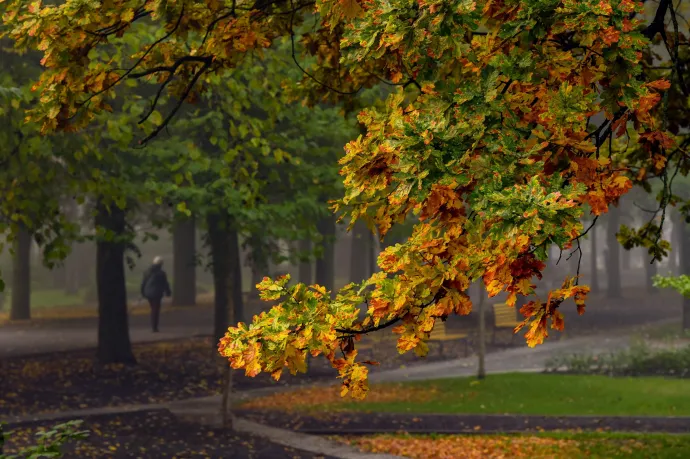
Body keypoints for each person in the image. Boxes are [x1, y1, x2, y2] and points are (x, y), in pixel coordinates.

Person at [140, 256, 172, 332]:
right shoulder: (161, 273)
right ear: (161, 264)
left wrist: (142, 292)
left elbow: (143, 283)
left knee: (153, 308)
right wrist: (168, 292)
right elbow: (165, 284)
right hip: (156, 293)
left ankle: (154, 326)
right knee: (155, 310)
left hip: (148, 293)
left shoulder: (147, 271)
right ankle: (154, 327)